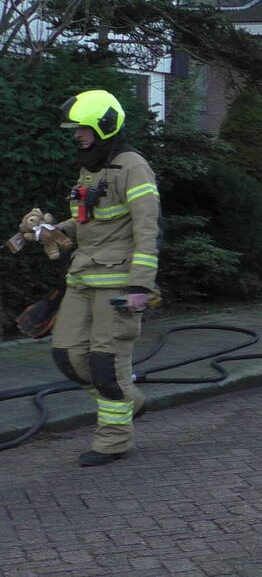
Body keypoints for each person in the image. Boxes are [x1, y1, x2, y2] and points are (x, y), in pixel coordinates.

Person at [34, 90, 161, 466]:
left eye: (83, 128)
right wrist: (53, 230)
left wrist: (141, 284)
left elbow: (147, 228)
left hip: (120, 285)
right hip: (82, 278)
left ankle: (113, 440)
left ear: (105, 126)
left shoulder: (133, 167)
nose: (77, 136)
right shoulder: (92, 167)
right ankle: (130, 401)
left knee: (107, 362)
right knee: (67, 354)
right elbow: (88, 221)